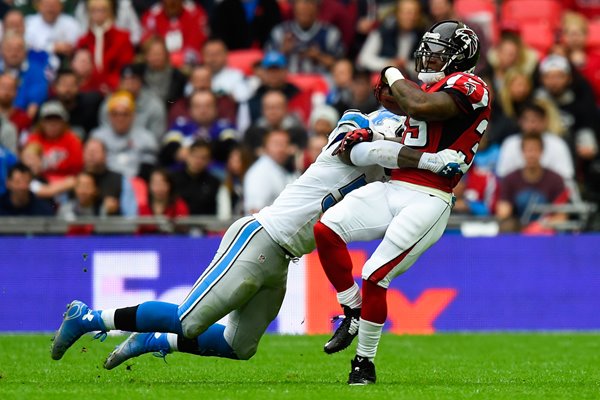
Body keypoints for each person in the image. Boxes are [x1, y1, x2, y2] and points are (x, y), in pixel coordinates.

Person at [49, 107, 466, 371]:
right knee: (190, 318)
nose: (406, 137)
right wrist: (418, 153)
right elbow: (358, 151)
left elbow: (399, 170)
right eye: (401, 130)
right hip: (261, 236)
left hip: (283, 257)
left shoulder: (394, 167)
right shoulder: (358, 129)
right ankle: (90, 317)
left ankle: (154, 341)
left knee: (238, 346)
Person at [312, 20, 489, 385]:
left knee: (375, 274)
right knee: (325, 229)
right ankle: (352, 308)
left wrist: (392, 72)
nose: (430, 58)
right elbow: (407, 129)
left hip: (430, 197)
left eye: (439, 53)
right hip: (395, 186)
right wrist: (374, 132)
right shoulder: (434, 88)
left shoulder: (470, 86)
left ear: (461, 58)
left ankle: (364, 363)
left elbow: (419, 104)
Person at [495, 134, 570, 232]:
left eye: (535, 150)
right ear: (522, 152)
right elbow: (503, 212)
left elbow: (561, 217)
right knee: (506, 226)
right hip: (518, 233)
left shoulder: (555, 179)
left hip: (547, 233)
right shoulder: (510, 179)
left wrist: (540, 227)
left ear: (542, 151)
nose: (531, 154)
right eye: (528, 150)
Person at [90, 91, 158, 178]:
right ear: (109, 116)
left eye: (125, 114)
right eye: (115, 114)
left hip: (136, 184)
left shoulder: (147, 138)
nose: (120, 118)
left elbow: (148, 171)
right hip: (103, 183)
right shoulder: (97, 137)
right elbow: (91, 168)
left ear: (133, 116)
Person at [75, 0, 135, 93]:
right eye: (94, 10)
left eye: (102, 10)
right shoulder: (83, 41)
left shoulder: (123, 38)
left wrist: (109, 85)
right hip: (89, 90)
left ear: (110, 12)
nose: (98, 14)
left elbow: (125, 67)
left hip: (116, 89)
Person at [243, 129, 296, 214]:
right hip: (264, 226)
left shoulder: (279, 169)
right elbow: (254, 210)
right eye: (276, 144)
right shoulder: (260, 171)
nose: (281, 149)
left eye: (285, 144)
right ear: (265, 147)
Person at [171, 139, 221, 216]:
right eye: (195, 156)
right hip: (178, 225)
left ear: (209, 160)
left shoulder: (214, 183)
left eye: (203, 158)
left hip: (206, 225)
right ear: (188, 156)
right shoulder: (173, 179)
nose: (198, 161)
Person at [138, 168, 189, 234]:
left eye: (163, 183)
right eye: (155, 183)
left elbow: (183, 230)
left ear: (170, 185)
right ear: (149, 185)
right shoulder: (143, 208)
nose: (159, 188)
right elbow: (139, 234)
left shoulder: (179, 205)